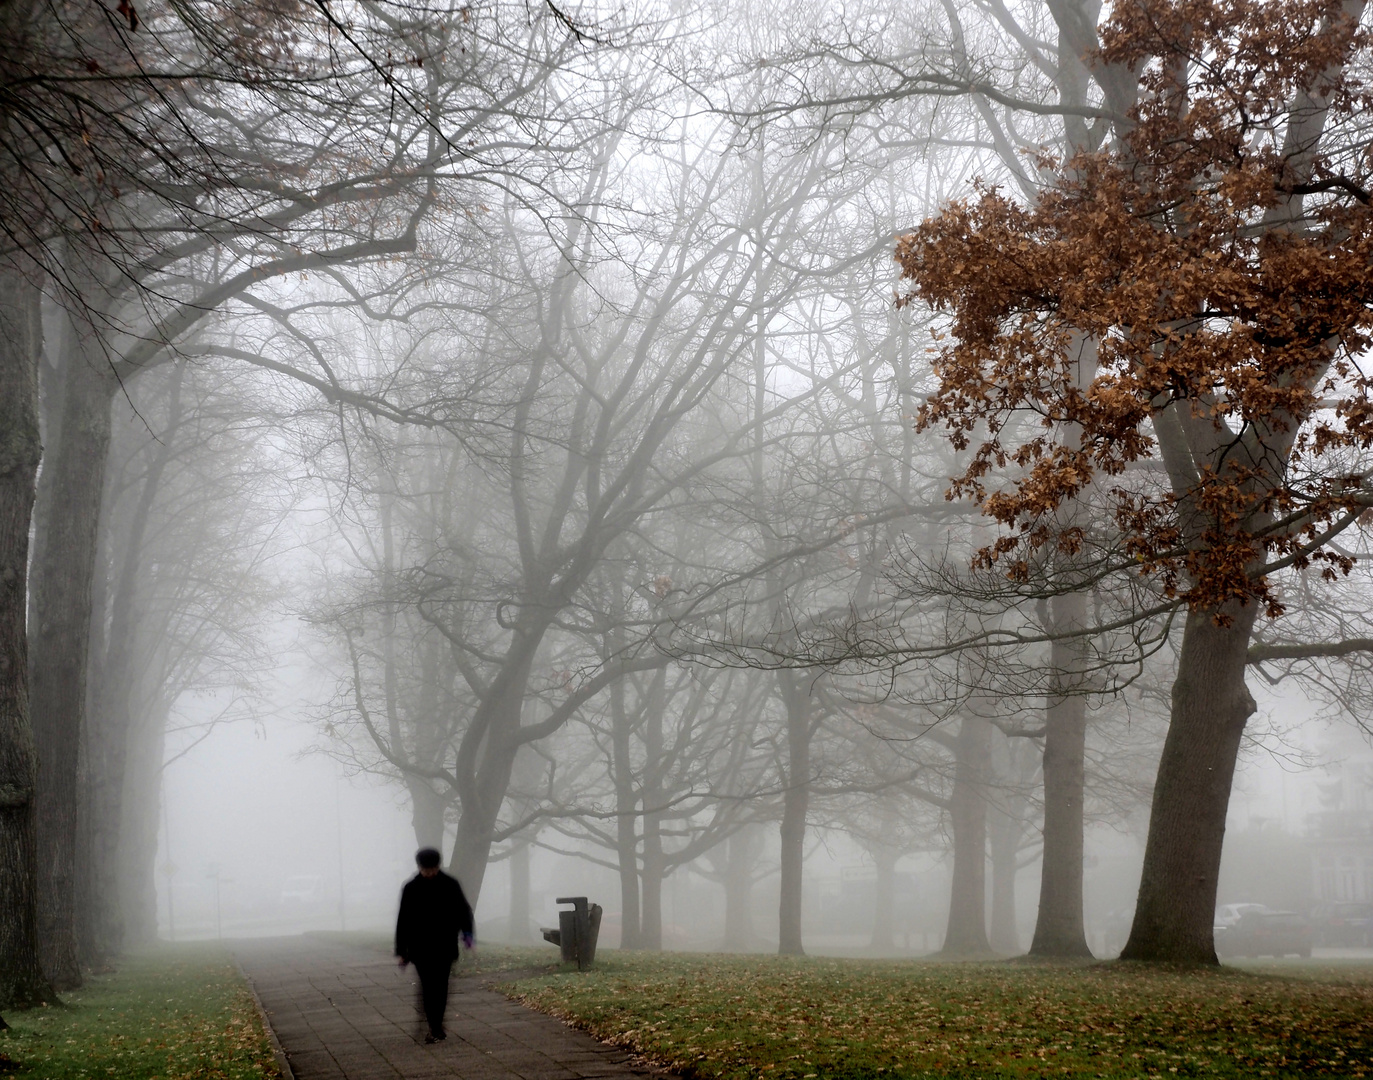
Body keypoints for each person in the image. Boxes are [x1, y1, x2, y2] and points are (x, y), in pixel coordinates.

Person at [395, 848, 475, 1043]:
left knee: (441, 986)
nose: (429, 873)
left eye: (432, 869)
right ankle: (434, 1026)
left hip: (444, 945)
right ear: (419, 867)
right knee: (428, 986)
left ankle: (436, 1024)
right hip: (420, 947)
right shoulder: (411, 888)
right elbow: (403, 919)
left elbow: (464, 911)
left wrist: (467, 934)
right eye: (425, 869)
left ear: (438, 866)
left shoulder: (450, 885)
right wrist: (402, 950)